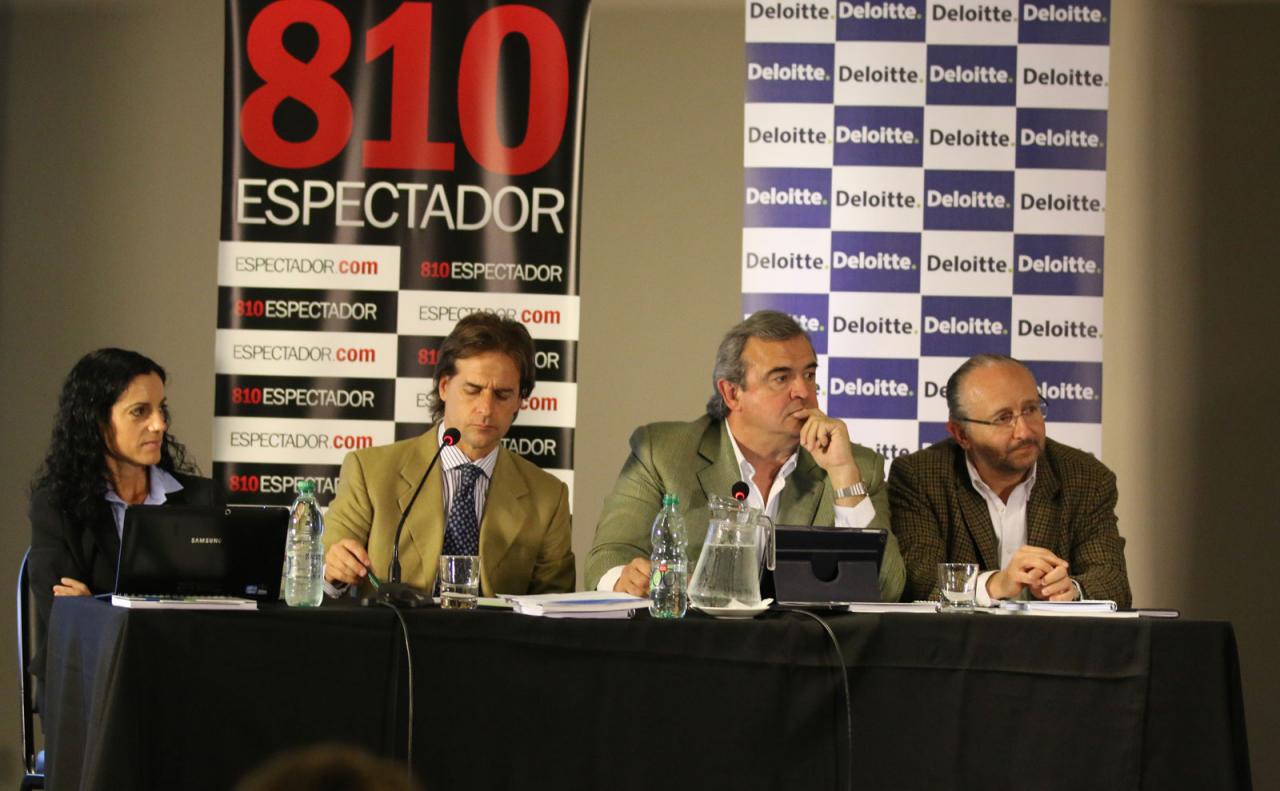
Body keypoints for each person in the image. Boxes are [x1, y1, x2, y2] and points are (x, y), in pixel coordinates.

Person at [586, 310, 906, 602]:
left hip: (807, 655)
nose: (802, 391)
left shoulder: (855, 466)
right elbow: (609, 555)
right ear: (732, 393)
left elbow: (888, 589)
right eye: (781, 378)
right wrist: (624, 579)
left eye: (808, 375)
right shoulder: (663, 453)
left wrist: (842, 474)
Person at [323, 313, 574, 596]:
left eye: (502, 395)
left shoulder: (548, 497)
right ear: (444, 387)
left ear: (519, 401)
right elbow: (325, 569)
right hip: (394, 637)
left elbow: (556, 609)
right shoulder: (369, 471)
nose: (486, 408)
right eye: (473, 390)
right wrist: (335, 572)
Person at [28, 348, 219, 681]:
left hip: (182, 672)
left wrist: (99, 605)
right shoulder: (56, 507)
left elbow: (215, 616)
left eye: (161, 409)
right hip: (89, 674)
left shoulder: (202, 498)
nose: (159, 424)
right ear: (96, 420)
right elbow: (68, 620)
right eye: (140, 411)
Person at [888, 353, 1131, 607]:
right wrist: (994, 585)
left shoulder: (1085, 476)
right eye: (1003, 418)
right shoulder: (920, 476)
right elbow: (918, 581)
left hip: (1055, 643)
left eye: (1031, 409)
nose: (1024, 431)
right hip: (956, 642)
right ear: (961, 434)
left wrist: (1072, 590)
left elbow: (1112, 579)